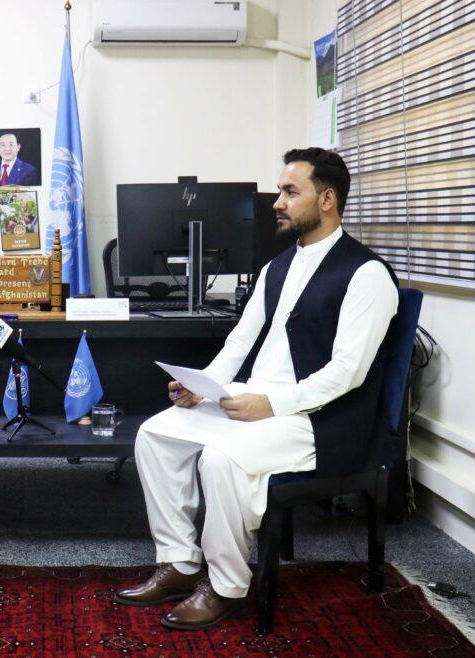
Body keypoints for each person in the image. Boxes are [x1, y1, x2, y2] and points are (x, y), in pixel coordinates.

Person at [113, 148, 399, 630]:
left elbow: (347, 373)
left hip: (320, 419)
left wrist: (271, 403)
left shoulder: (367, 275)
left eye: (290, 192)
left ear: (327, 199)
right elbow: (239, 342)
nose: (277, 203)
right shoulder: (277, 267)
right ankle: (180, 563)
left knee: (220, 460)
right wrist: (203, 387)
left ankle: (226, 585)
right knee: (155, 435)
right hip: (256, 401)